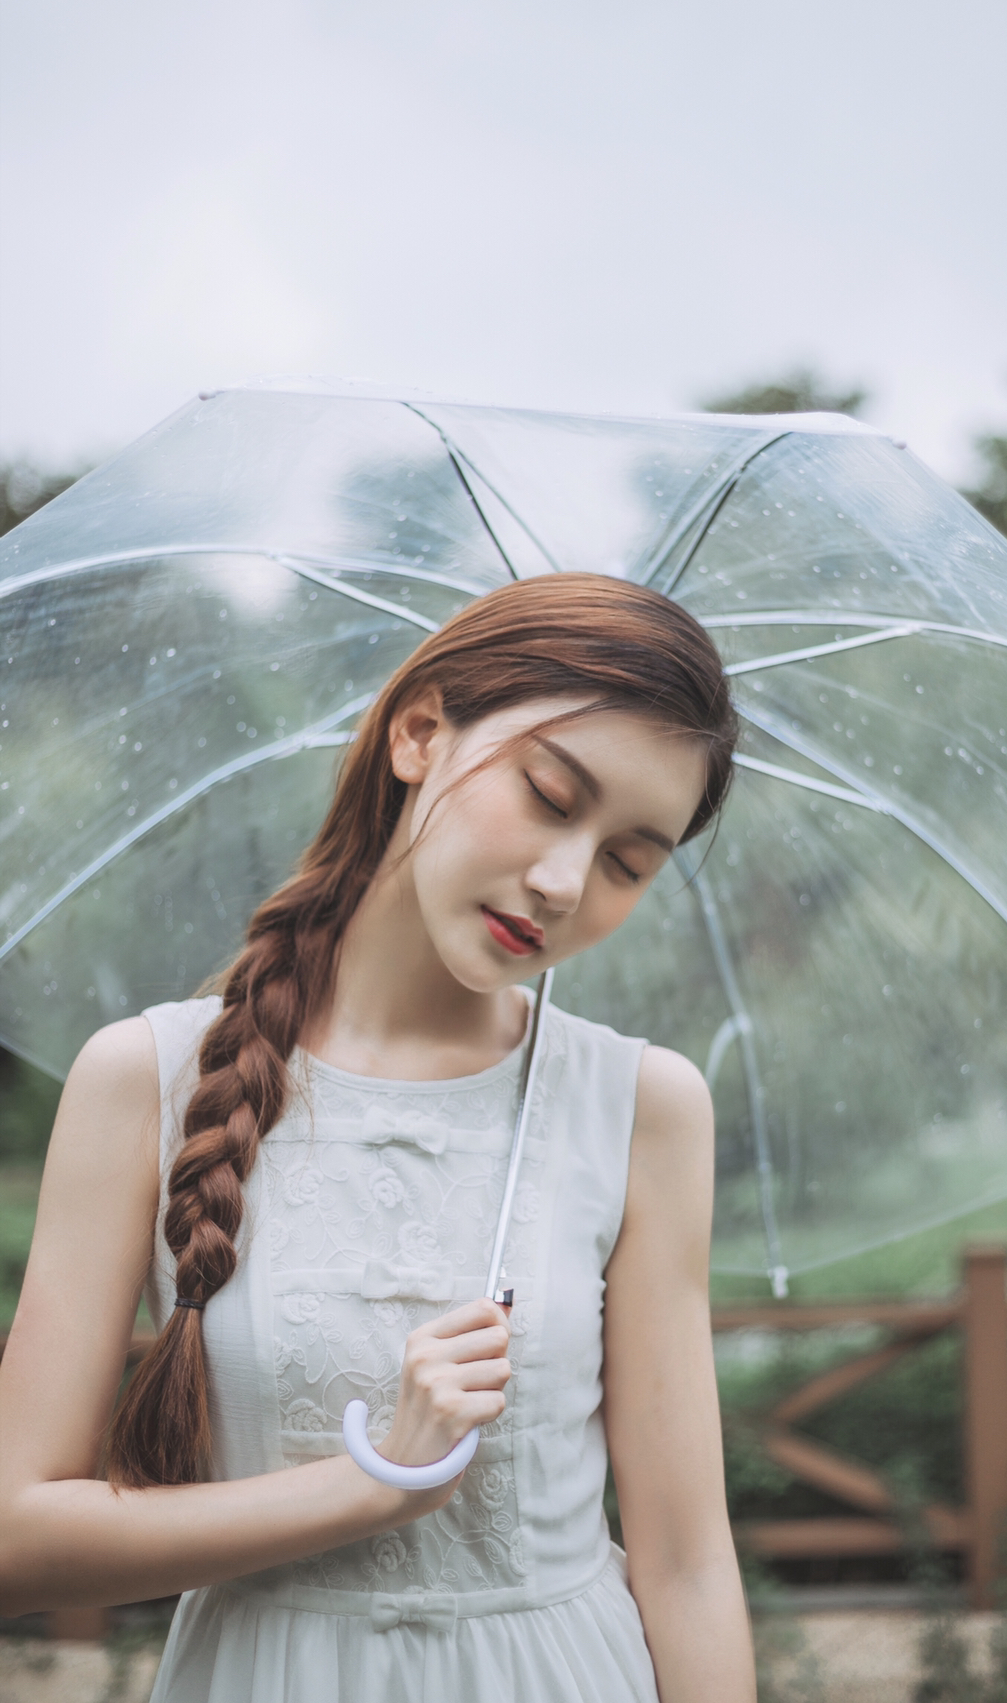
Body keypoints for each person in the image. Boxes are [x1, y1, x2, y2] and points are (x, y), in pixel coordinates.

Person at [0, 573, 757, 1702]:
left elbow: (689, 1565)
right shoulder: (145, 1080)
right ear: (418, 734)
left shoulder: (642, 1104)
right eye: (552, 796)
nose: (563, 882)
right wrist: (373, 1483)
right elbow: (16, 1534)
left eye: (626, 862)